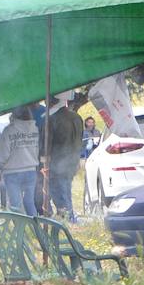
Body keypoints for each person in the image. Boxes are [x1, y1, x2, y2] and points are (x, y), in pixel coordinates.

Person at [45, 94, 85, 222]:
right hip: (72, 160)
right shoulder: (77, 118)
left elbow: (47, 143)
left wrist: (44, 160)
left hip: (58, 162)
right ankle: (69, 216)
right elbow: (80, 139)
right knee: (66, 189)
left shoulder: (53, 119)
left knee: (60, 191)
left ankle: (68, 218)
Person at [0, 106, 42, 216]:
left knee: (15, 205)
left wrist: (0, 165)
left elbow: (3, 153)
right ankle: (35, 229)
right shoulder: (34, 129)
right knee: (29, 202)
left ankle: (19, 231)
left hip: (12, 172)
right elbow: (37, 149)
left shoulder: (9, 130)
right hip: (31, 170)